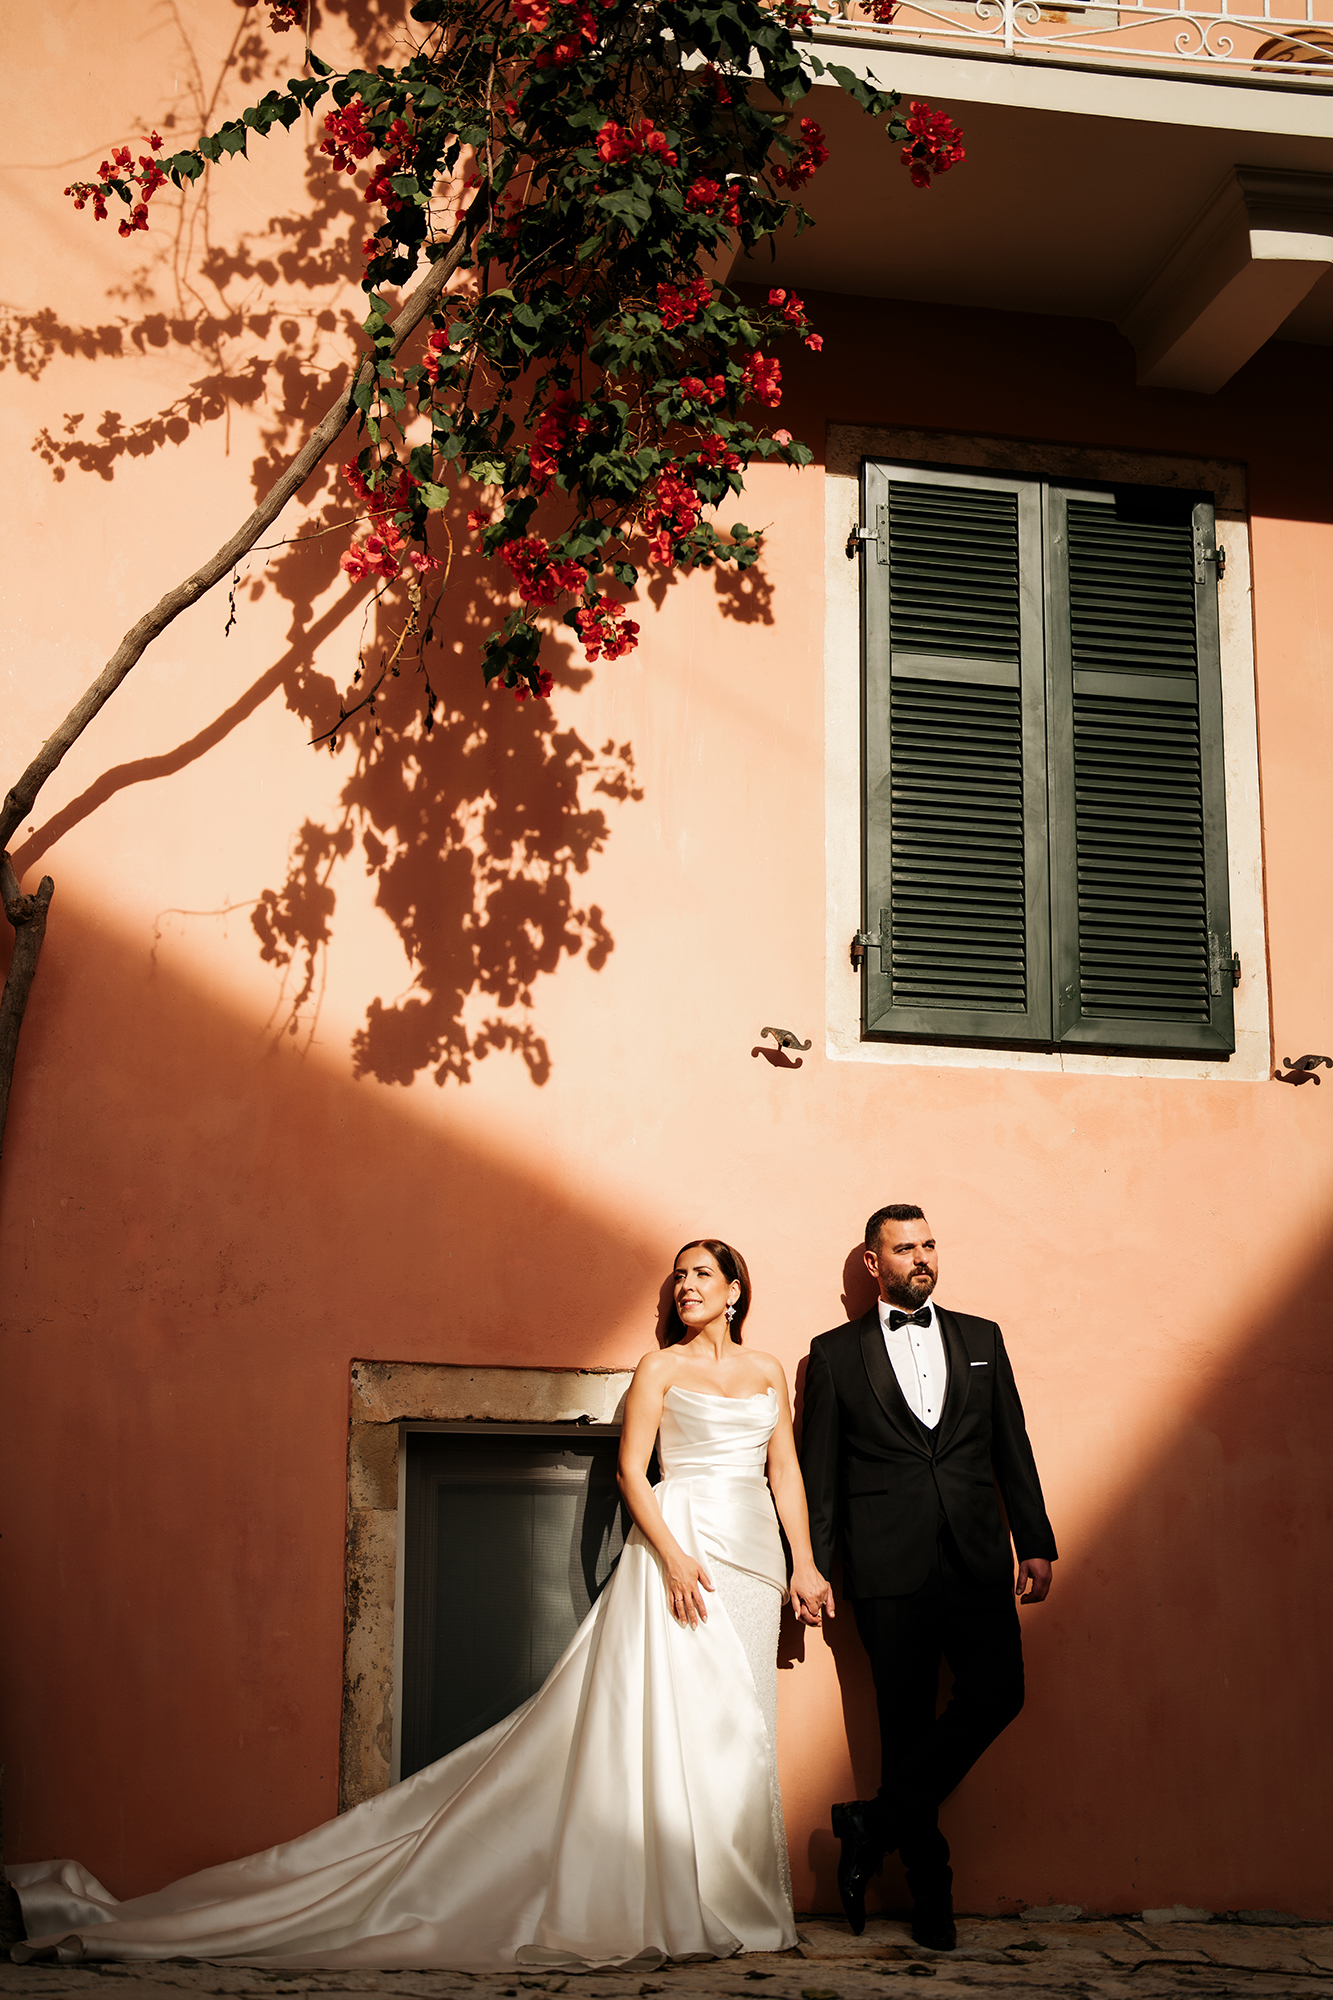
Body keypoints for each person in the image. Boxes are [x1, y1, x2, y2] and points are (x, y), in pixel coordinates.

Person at [11, 1239, 833, 1972]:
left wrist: (802, 1564)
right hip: (680, 1549)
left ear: (734, 1290)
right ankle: (682, 1901)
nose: (685, 1285)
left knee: (743, 1725)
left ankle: (738, 1901)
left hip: (753, 1557)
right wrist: (673, 1556)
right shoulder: (659, 1369)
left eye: (701, 1274)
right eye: (678, 1275)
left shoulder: (765, 1371)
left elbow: (784, 1472)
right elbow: (629, 1471)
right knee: (677, 1723)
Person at [799, 1205, 1057, 1954]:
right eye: (904, 1248)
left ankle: (870, 1823)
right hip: (885, 1564)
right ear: (872, 1263)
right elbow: (820, 1474)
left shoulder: (982, 1338)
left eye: (929, 1245)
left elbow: (1011, 1443)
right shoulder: (834, 1353)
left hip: (976, 1555)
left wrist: (1034, 1542)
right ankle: (931, 1899)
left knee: (998, 1693)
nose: (921, 1258)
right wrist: (812, 1567)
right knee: (905, 1728)